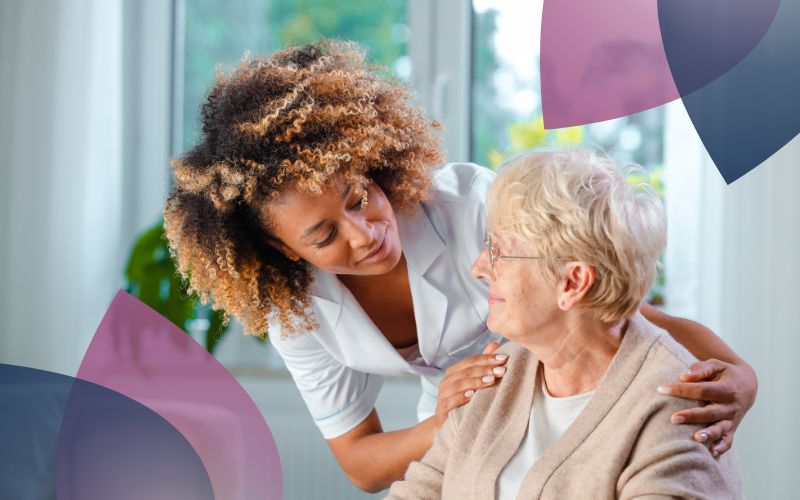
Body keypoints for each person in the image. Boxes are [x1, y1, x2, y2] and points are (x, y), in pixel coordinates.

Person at [163, 40, 755, 492]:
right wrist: (449, 418)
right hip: (470, 419)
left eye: (359, 196)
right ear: (287, 252)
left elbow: (616, 305)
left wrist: (739, 374)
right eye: (324, 235)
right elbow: (363, 464)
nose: (367, 233)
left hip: (570, 389)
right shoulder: (297, 309)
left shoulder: (472, 207)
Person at [388, 149, 741, 499]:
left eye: (498, 251)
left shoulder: (673, 409)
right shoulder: (494, 377)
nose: (479, 267)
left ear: (572, 283)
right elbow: (422, 489)